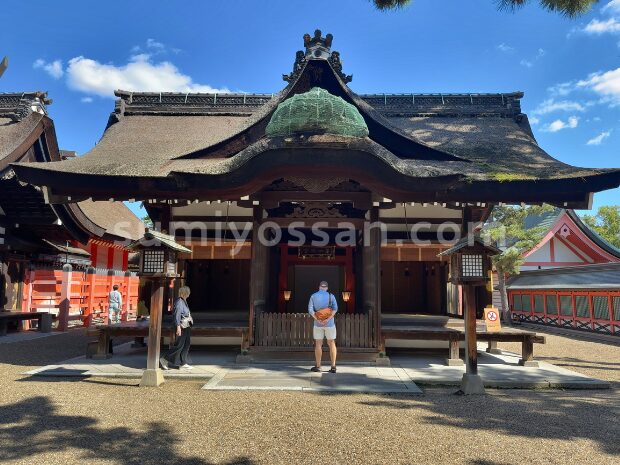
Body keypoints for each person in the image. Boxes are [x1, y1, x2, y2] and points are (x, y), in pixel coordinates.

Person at [160, 286, 193, 371]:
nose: (189, 294)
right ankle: (165, 359)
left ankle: (183, 363)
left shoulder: (184, 301)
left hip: (186, 326)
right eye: (188, 292)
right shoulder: (179, 302)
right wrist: (178, 326)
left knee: (186, 344)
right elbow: (177, 315)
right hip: (181, 326)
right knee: (179, 345)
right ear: (185, 293)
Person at [308, 280, 338, 373]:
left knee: (318, 344)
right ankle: (333, 367)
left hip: (318, 324)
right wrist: (327, 320)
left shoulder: (313, 296)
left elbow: (310, 310)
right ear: (327, 288)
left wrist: (317, 319)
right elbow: (335, 309)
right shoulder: (331, 296)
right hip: (330, 324)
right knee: (331, 343)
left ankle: (318, 366)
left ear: (319, 287)